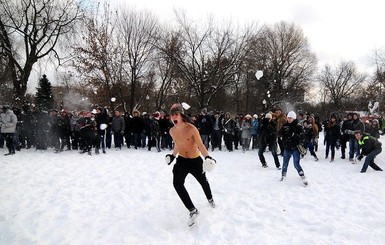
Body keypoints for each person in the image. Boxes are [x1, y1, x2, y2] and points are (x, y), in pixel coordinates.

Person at [165, 103, 216, 227]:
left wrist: (207, 157)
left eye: (176, 114)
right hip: (182, 160)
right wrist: (172, 155)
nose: (173, 117)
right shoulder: (172, 131)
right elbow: (178, 144)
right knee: (177, 184)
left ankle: (210, 199)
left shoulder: (192, 128)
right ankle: (193, 211)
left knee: (203, 182)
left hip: (195, 161)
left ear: (182, 115)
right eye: (172, 115)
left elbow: (200, 144)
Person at [278, 111, 308, 185]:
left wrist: (293, 134)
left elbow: (302, 136)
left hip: (295, 147)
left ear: (294, 118)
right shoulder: (285, 125)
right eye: (288, 117)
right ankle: (283, 175)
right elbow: (279, 133)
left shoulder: (298, 126)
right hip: (287, 147)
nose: (289, 119)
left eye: (290, 118)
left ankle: (302, 175)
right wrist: (282, 133)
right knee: (285, 163)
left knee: (296, 164)